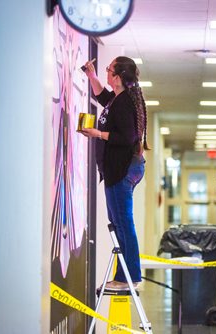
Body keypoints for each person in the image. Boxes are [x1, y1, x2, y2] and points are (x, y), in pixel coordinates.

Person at [79, 56, 150, 291]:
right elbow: (103, 98)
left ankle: (128, 278)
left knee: (122, 222)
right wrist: (91, 76)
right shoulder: (119, 99)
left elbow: (127, 138)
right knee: (119, 222)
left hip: (122, 169)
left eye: (109, 70)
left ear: (117, 77)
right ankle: (126, 276)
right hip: (123, 168)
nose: (106, 72)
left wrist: (98, 134)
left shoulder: (124, 103)